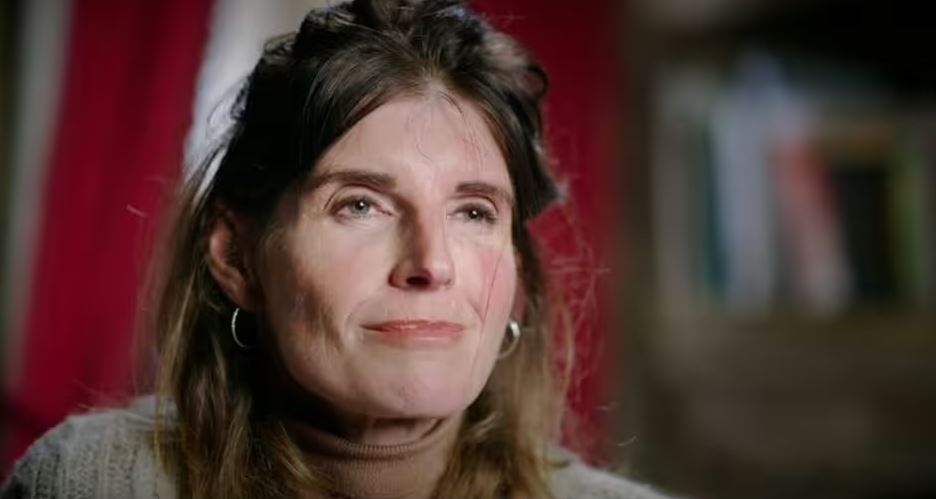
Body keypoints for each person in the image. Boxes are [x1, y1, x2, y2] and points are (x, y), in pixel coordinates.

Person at [1, 1, 672, 497]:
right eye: (360, 205)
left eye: (473, 211)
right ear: (237, 257)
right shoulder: (86, 482)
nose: (431, 263)